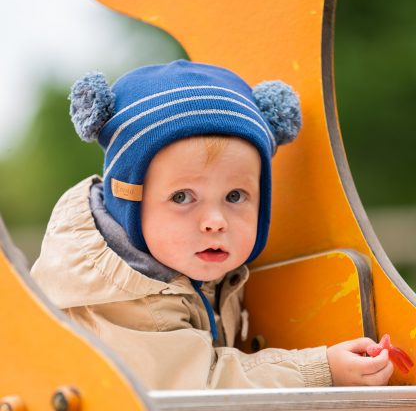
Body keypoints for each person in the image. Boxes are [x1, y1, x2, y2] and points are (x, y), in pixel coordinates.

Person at [30, 60, 393, 389]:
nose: (215, 221)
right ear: (129, 201)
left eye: (235, 196)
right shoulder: (124, 298)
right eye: (182, 197)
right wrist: (320, 368)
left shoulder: (186, 265)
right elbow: (198, 388)